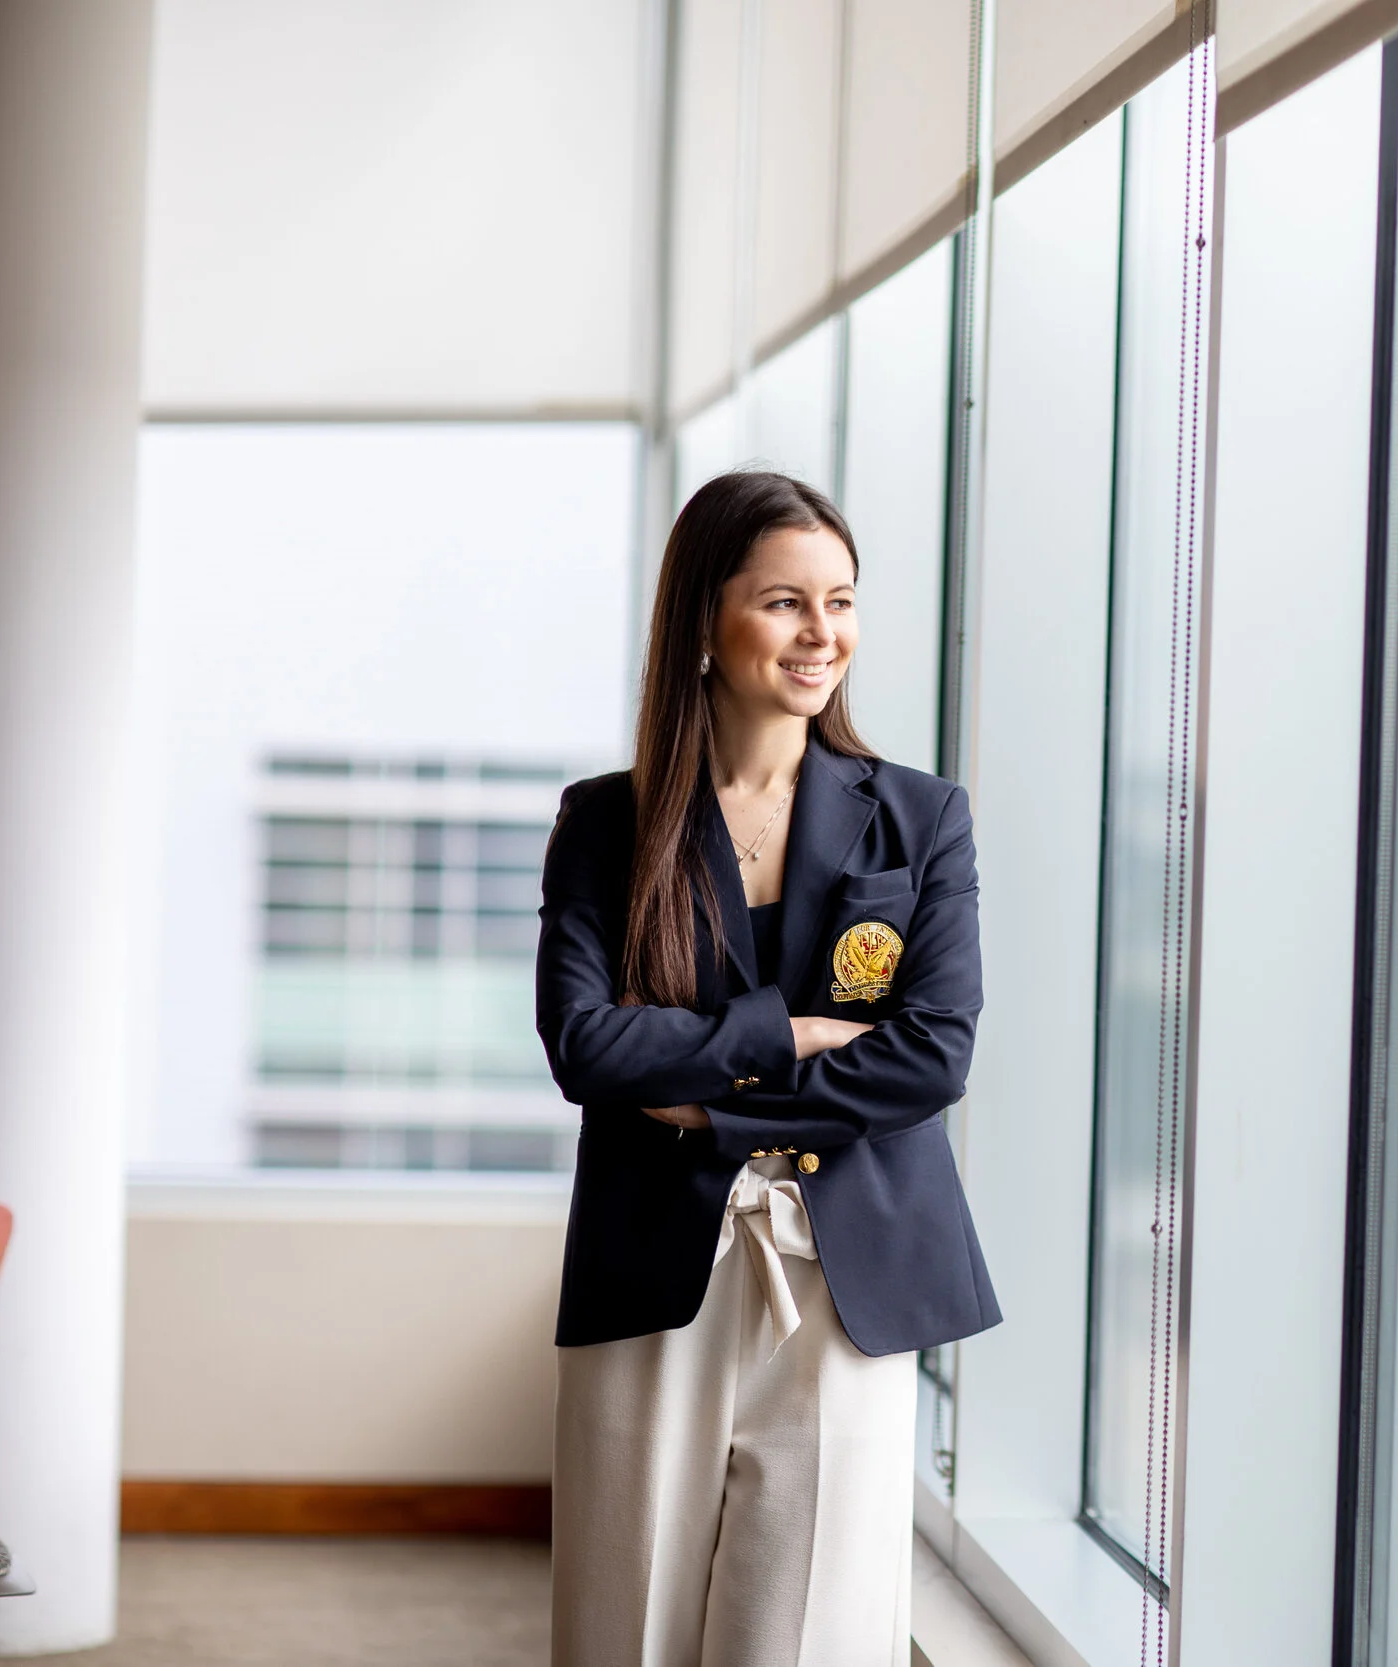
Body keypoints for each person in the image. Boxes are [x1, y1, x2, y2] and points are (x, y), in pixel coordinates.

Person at [536, 470, 1000, 1667]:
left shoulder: (921, 816)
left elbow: (932, 1055)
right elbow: (588, 1044)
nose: (821, 634)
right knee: (622, 1620)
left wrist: (698, 1093)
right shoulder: (607, 821)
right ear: (704, 617)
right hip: (654, 1267)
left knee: (810, 1638)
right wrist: (787, 1032)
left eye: (840, 601)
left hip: (852, 1280)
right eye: (785, 602)